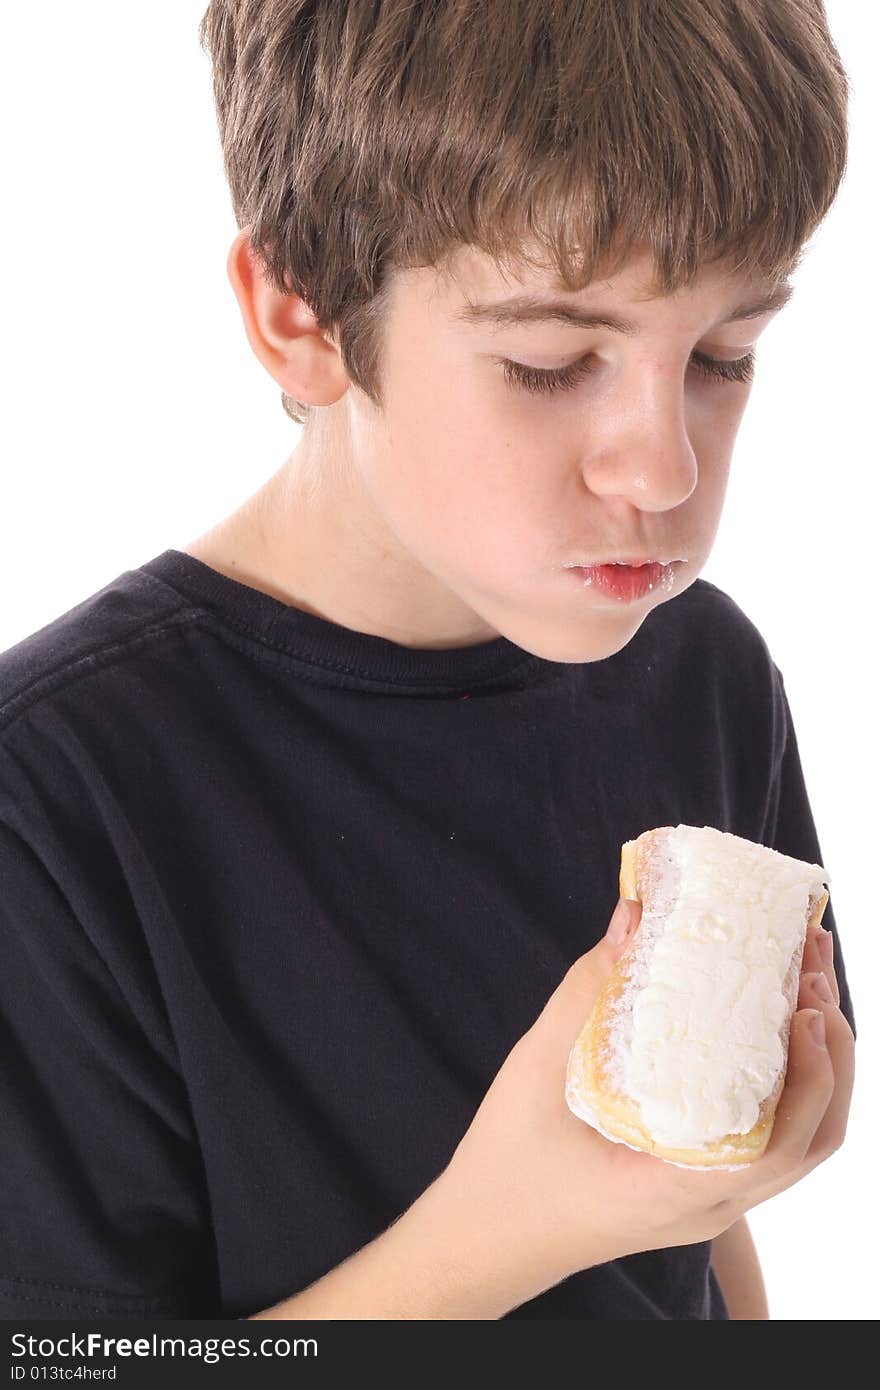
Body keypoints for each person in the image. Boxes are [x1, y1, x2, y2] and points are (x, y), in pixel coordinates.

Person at [0, 0, 855, 1321]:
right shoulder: (53, 805)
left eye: (723, 354)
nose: (664, 470)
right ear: (299, 310)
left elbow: (693, 1232)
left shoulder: (706, 675)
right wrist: (510, 1226)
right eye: (552, 359)